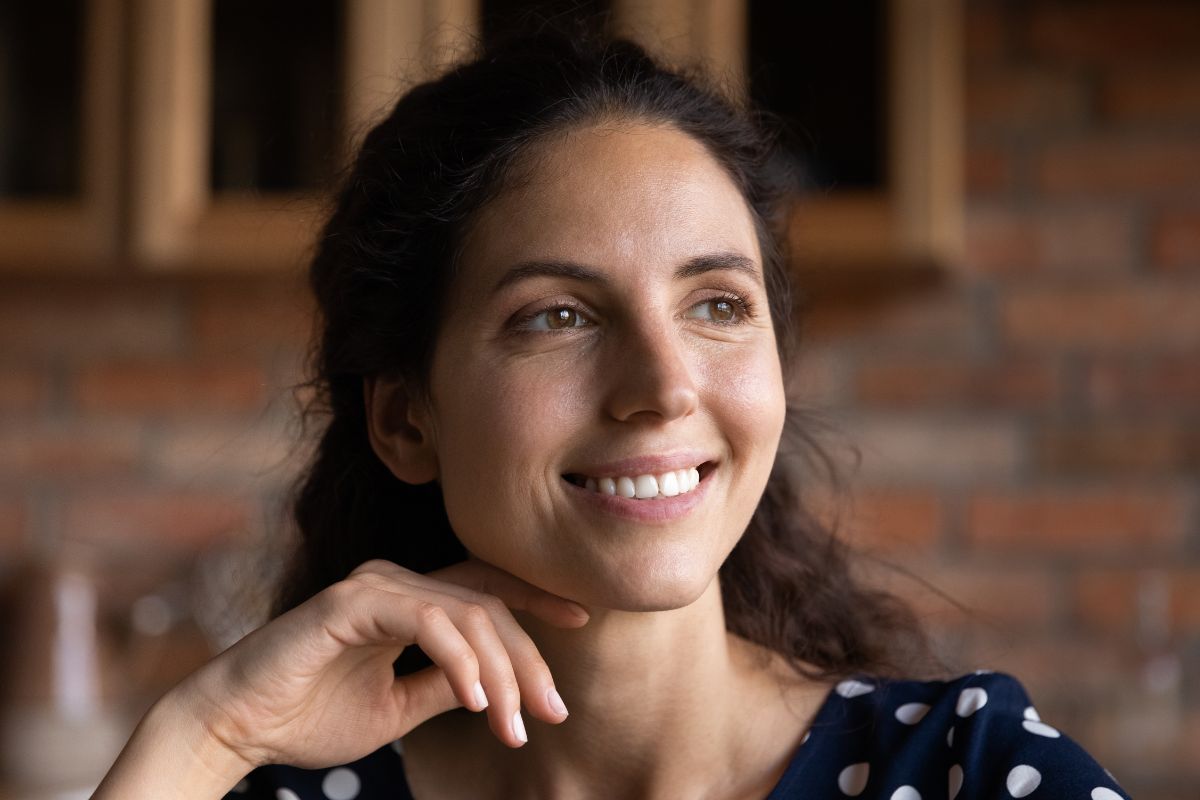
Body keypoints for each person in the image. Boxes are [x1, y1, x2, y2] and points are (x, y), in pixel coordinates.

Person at [94, 25, 1130, 800]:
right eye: (557, 315)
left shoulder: (967, 770)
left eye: (717, 304)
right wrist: (209, 735)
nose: (667, 385)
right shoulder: (289, 790)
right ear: (408, 419)